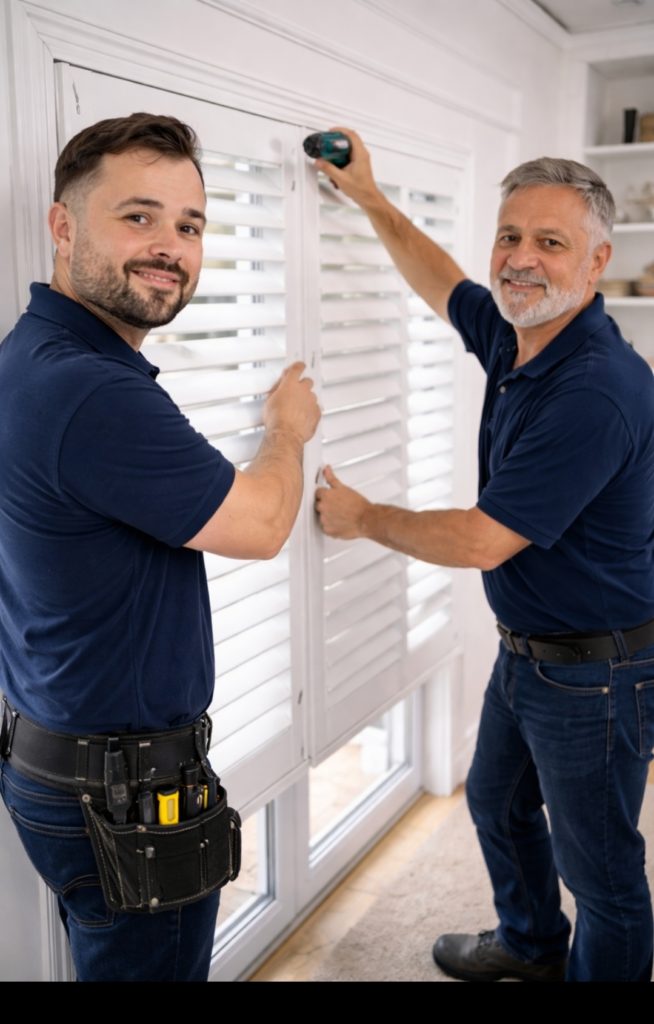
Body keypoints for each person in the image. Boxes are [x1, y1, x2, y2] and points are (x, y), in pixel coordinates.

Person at [313, 129, 654, 982]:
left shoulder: (596, 389)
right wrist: (371, 198)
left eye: (550, 242)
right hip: (530, 652)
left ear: (598, 261)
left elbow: (479, 538)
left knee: (603, 877)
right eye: (510, 236)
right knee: (498, 804)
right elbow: (443, 282)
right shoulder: (520, 331)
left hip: (597, 673)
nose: (521, 259)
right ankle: (533, 946)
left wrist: (363, 517)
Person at [0, 112, 320, 982]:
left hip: (60, 762)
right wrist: (288, 432)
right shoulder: (91, 392)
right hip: (121, 797)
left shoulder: (31, 354)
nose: (169, 247)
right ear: (64, 226)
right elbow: (261, 523)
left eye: (189, 225)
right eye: (137, 216)